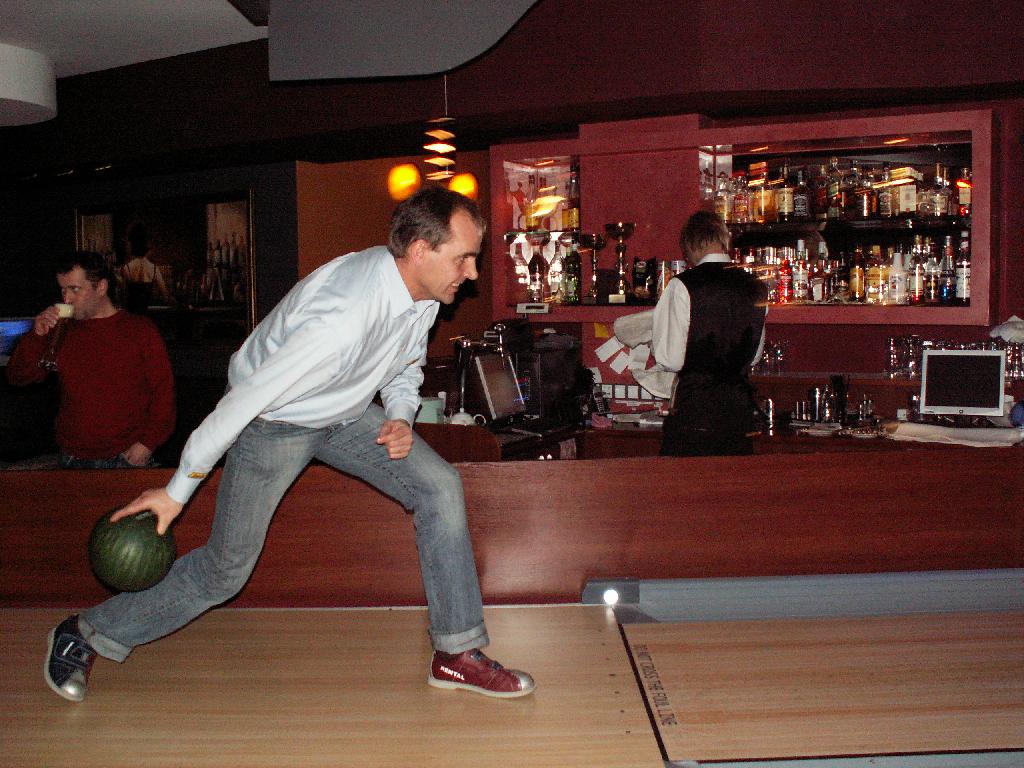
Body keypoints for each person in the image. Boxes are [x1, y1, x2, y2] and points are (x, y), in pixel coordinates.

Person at [44, 187, 536, 703]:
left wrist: (398, 415)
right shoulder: (339, 320)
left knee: (439, 486)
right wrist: (175, 492)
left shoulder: (421, 291)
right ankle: (86, 631)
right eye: (464, 258)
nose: (472, 273)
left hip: (345, 412)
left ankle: (456, 652)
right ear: (419, 250)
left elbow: (406, 365)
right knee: (226, 571)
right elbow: (239, 405)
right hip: (274, 422)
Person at [7, 251, 175, 469]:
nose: (66, 299)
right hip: (71, 456)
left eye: (75, 289)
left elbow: (164, 394)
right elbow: (18, 377)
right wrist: (37, 335)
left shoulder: (139, 330)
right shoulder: (61, 330)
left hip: (125, 456)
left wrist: (147, 444)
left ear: (101, 287)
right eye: (63, 290)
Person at [652, 210, 767, 457]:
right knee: (733, 481)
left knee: (687, 481)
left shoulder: (682, 285)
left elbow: (670, 359)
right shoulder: (756, 287)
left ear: (691, 246)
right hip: (738, 414)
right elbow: (755, 355)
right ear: (724, 240)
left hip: (696, 411)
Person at [120, 223, 169, 314]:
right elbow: (166, 296)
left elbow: (123, 298)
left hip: (132, 316)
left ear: (132, 245)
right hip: (148, 316)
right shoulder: (154, 268)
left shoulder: (127, 268)